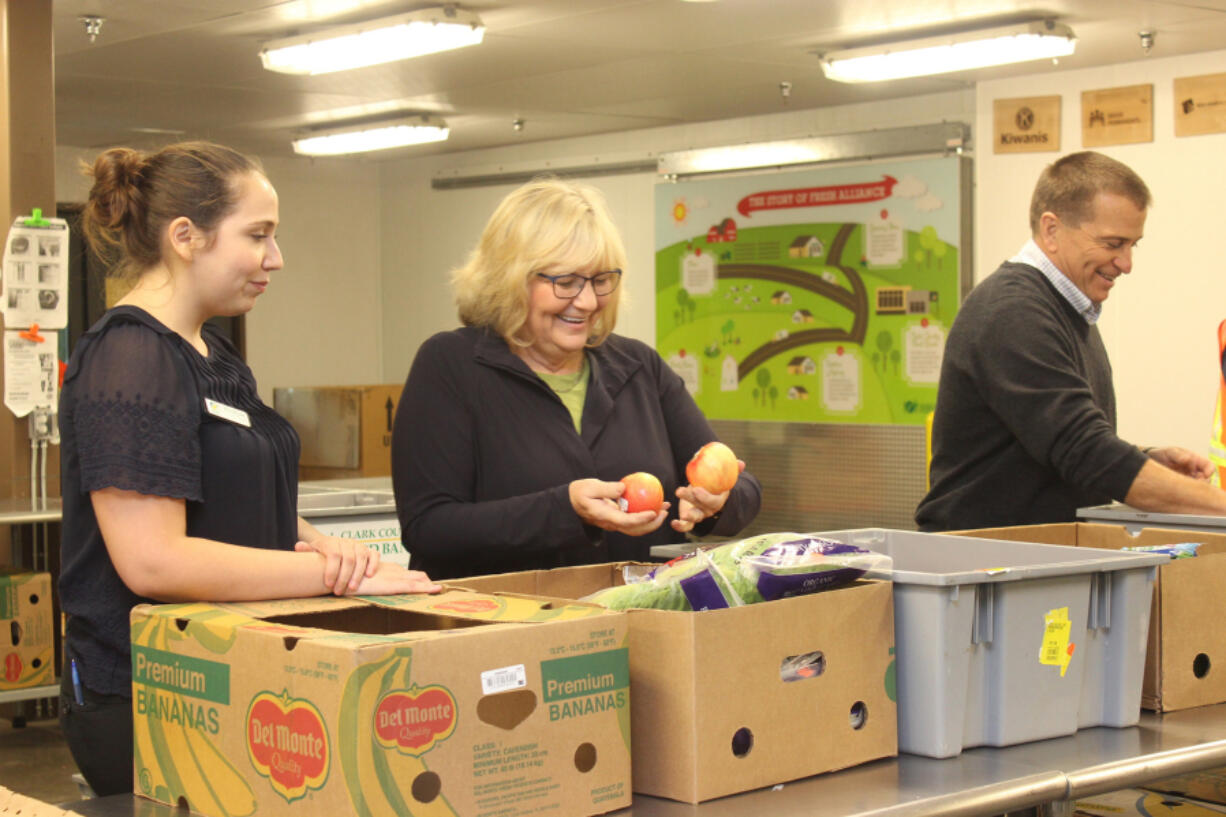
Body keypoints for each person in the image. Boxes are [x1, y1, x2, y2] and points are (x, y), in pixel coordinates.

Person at [58, 141, 440, 796]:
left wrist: (343, 554)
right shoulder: (129, 356)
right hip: (157, 695)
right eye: (257, 235)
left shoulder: (217, 355)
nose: (275, 258)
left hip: (246, 670)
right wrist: (325, 576)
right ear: (186, 236)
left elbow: (249, 492)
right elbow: (154, 561)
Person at [392, 178, 762, 579]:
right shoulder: (452, 366)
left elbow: (743, 488)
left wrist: (716, 502)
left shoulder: (639, 367)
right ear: (509, 279)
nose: (586, 302)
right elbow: (429, 527)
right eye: (565, 282)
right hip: (505, 626)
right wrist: (563, 510)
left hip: (637, 621)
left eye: (601, 280)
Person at [916, 150, 1226, 531]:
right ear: (1051, 231)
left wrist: (1143, 459)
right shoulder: (1013, 312)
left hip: (1031, 559)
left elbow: (1054, 435)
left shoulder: (1067, 306)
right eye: (1113, 244)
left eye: (1133, 245)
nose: (1127, 263)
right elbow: (1084, 451)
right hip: (983, 567)